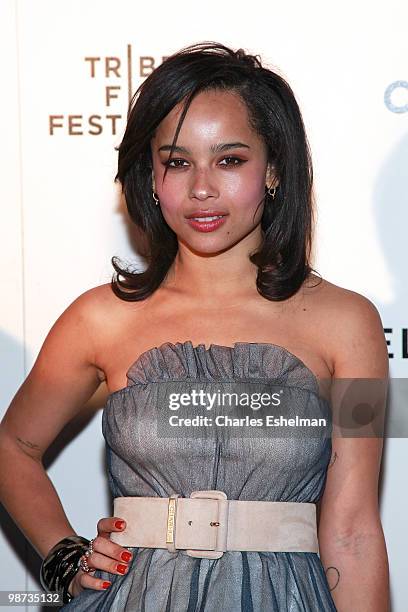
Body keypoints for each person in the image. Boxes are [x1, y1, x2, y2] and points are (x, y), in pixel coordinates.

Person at [0, 41, 390, 611]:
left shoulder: (350, 325)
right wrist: (64, 553)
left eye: (230, 160)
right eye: (177, 162)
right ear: (151, 178)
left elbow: (353, 532)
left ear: (274, 168)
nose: (202, 188)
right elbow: (13, 444)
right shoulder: (99, 319)